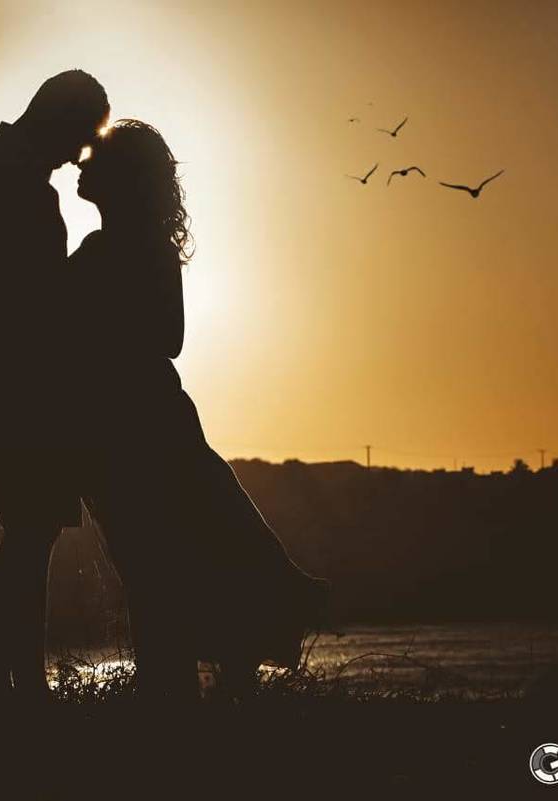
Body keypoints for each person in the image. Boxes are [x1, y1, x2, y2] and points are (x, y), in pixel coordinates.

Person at [71, 120, 330, 700]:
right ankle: (191, 689)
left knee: (151, 564)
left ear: (121, 179)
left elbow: (168, 338)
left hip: (140, 425)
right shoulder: (119, 251)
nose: (80, 166)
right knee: (162, 558)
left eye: (94, 160)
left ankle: (173, 697)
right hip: (136, 422)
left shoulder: (119, 253)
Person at [0, 70, 109, 704]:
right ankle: (0, 686)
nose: (79, 155)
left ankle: (15, 684)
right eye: (81, 136)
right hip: (11, 380)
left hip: (4, 375)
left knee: (30, 532)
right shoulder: (11, 179)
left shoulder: (5, 168)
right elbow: (28, 297)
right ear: (58, 119)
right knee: (28, 533)